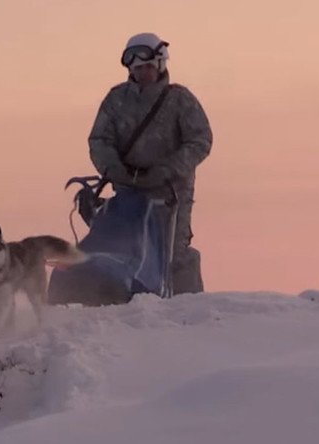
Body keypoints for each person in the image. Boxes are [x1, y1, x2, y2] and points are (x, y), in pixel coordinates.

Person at [87, 32, 212, 294]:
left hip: (170, 192)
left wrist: (168, 169)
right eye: (137, 68)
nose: (143, 73)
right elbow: (99, 139)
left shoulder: (179, 100)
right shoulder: (116, 100)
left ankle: (189, 310)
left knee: (173, 251)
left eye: (148, 67)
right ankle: (132, 306)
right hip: (128, 191)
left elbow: (200, 140)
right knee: (126, 248)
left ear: (160, 65)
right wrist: (114, 169)